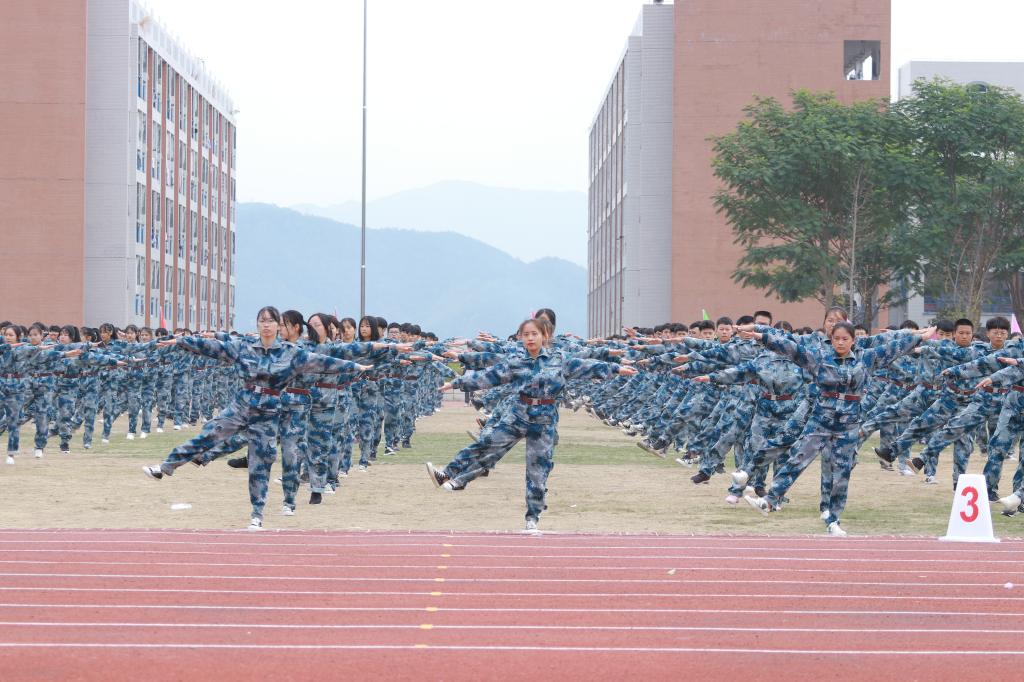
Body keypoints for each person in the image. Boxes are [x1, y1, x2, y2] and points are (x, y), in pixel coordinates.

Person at [141, 306, 370, 530]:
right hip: (242, 404)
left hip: (268, 411)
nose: (266, 325)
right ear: (257, 324)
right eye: (262, 321)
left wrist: (355, 367)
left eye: (271, 321)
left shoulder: (291, 353)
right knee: (209, 435)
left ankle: (257, 515)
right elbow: (212, 347)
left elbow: (323, 362)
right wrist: (182, 341)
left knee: (260, 462)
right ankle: (165, 466)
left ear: (278, 326)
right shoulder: (244, 347)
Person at [425, 318, 636, 533]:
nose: (530, 338)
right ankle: (447, 474)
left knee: (537, 471)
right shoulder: (516, 362)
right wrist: (456, 383)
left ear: (545, 336)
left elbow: (588, 367)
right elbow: (488, 376)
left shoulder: (559, 360)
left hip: (544, 421)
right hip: (518, 416)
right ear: (521, 338)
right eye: (526, 335)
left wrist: (617, 369)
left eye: (535, 334)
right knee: (485, 444)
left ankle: (532, 517)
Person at [740, 320, 933, 535]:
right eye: (836, 339)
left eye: (845, 339)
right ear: (831, 340)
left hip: (848, 424)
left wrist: (920, 337)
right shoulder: (819, 358)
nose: (840, 342)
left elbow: (893, 347)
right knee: (797, 458)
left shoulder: (866, 358)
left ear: (853, 340)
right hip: (821, 419)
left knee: (841, 473)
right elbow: (791, 348)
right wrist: (762, 337)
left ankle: (833, 520)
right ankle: (770, 500)